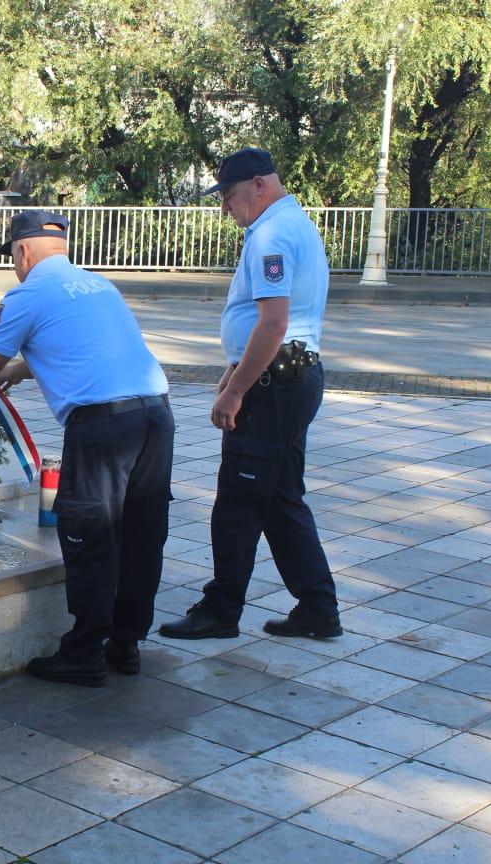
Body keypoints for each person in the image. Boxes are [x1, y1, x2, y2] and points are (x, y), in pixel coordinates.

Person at [0, 210, 174, 687]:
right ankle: (126, 641)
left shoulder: (28, 294)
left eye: (13, 258)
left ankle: (83, 653)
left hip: (104, 427)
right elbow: (89, 348)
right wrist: (23, 368)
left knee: (89, 533)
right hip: (155, 415)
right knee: (141, 532)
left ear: (22, 251)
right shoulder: (99, 286)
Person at [159, 147, 342, 642]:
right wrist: (236, 367)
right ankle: (318, 607)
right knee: (281, 499)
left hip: (273, 387)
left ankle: (221, 611)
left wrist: (237, 389)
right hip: (290, 378)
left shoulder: (270, 234)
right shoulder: (293, 222)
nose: (225, 207)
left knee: (238, 502)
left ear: (259, 184)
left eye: (230, 195)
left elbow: (274, 322)